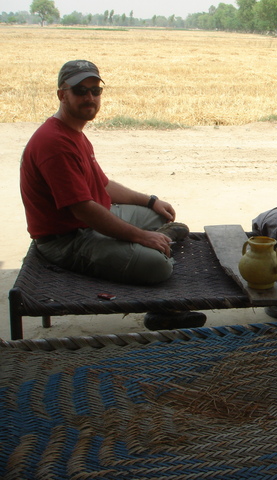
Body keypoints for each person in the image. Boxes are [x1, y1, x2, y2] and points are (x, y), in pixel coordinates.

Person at [19, 59, 205, 330]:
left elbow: (103, 186)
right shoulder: (54, 143)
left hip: (90, 219)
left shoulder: (74, 132)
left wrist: (150, 201)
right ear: (62, 94)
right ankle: (158, 299)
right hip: (66, 239)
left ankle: (150, 241)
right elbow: (83, 209)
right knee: (159, 267)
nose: (90, 97)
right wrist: (141, 236)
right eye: (80, 91)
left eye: (96, 91)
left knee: (155, 216)